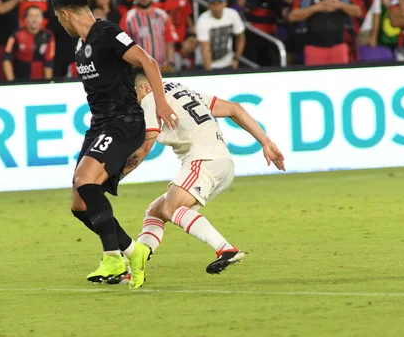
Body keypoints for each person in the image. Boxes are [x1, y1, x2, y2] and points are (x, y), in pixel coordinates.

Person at [51, 0, 177, 289]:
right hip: (99, 126)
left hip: (123, 122)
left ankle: (113, 258)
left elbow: (148, 61)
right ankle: (134, 252)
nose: (61, 24)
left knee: (86, 181)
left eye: (59, 18)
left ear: (65, 14)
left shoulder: (107, 33)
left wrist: (159, 102)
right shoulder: (80, 46)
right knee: (80, 205)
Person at [118, 71, 286, 273]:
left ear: (145, 87)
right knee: (155, 211)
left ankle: (226, 249)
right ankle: (139, 262)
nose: (134, 102)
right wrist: (266, 142)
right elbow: (234, 108)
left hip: (203, 160)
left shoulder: (150, 99)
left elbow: (145, 147)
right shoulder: (182, 90)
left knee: (170, 209)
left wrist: (114, 178)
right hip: (223, 163)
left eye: (133, 95)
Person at [121, 0, 179, 72]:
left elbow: (169, 39)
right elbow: (123, 43)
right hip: (139, 68)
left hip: (162, 67)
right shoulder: (129, 17)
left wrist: (170, 62)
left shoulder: (161, 15)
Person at [196, 0, 246, 71]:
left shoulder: (232, 14)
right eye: (214, 4)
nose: (217, 7)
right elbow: (205, 48)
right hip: (206, 65)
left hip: (228, 63)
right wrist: (209, 72)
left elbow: (240, 37)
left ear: (225, 4)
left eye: (219, 3)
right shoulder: (202, 20)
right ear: (209, 6)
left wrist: (236, 59)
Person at [3, 6, 55, 81]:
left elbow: (49, 62)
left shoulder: (49, 36)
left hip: (39, 80)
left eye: (37, 15)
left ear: (42, 19)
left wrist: (48, 84)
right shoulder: (15, 35)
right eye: (31, 15)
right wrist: (11, 83)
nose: (34, 19)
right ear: (25, 18)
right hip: (19, 79)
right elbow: (6, 59)